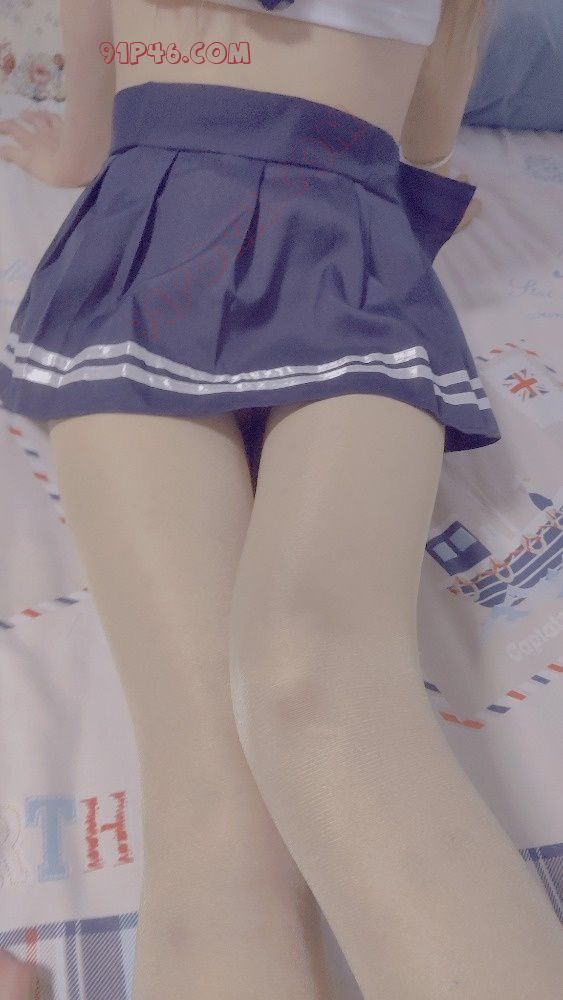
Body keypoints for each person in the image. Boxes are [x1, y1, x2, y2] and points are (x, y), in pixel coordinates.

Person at [0, 2, 561, 998]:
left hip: (351, 265)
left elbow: (426, 130)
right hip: (150, 250)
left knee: (314, 677)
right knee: (214, 785)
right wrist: (71, 157)